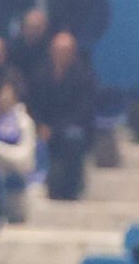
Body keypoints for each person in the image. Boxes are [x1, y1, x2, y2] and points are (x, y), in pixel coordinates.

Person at [26, 31, 94, 200]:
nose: (61, 54)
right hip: (42, 126)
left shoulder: (84, 77)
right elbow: (32, 105)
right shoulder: (39, 75)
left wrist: (54, 129)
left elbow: (83, 111)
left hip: (70, 126)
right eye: (58, 50)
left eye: (65, 50)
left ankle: (69, 190)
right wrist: (40, 125)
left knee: (73, 137)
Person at [0, 81, 36, 224]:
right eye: (0, 94)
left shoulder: (24, 122)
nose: (3, 98)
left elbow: (25, 159)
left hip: (16, 174)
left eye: (7, 95)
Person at [9, 10, 50, 93]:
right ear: (23, 28)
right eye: (30, 27)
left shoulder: (50, 49)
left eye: (37, 28)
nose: (33, 31)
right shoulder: (13, 49)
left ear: (45, 28)